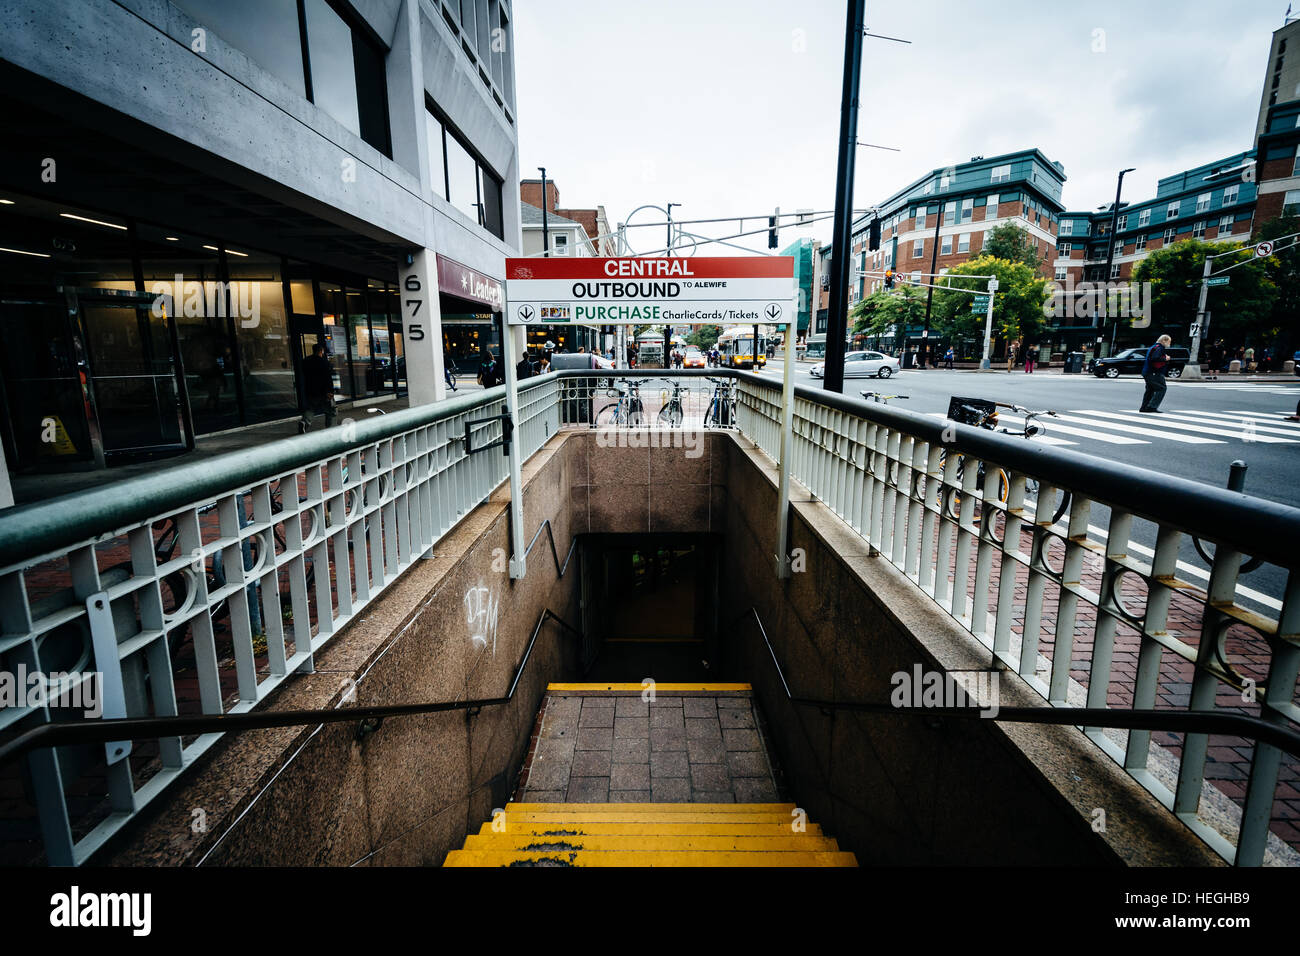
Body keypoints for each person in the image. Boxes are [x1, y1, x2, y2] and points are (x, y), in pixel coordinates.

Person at [300, 343, 336, 431]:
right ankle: (330, 427)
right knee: (331, 409)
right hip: (324, 391)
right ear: (321, 351)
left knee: (311, 409)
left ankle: (305, 422)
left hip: (310, 390)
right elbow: (328, 378)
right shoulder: (324, 362)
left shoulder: (306, 361)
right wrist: (331, 391)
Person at [1140, 334, 1172, 413]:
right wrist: (1166, 358)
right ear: (1164, 340)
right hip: (1154, 372)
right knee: (1161, 388)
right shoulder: (1159, 348)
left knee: (1150, 390)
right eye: (1169, 341)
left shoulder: (1153, 347)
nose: (1169, 344)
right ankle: (1151, 407)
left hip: (1147, 371)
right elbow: (1155, 358)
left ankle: (1144, 407)